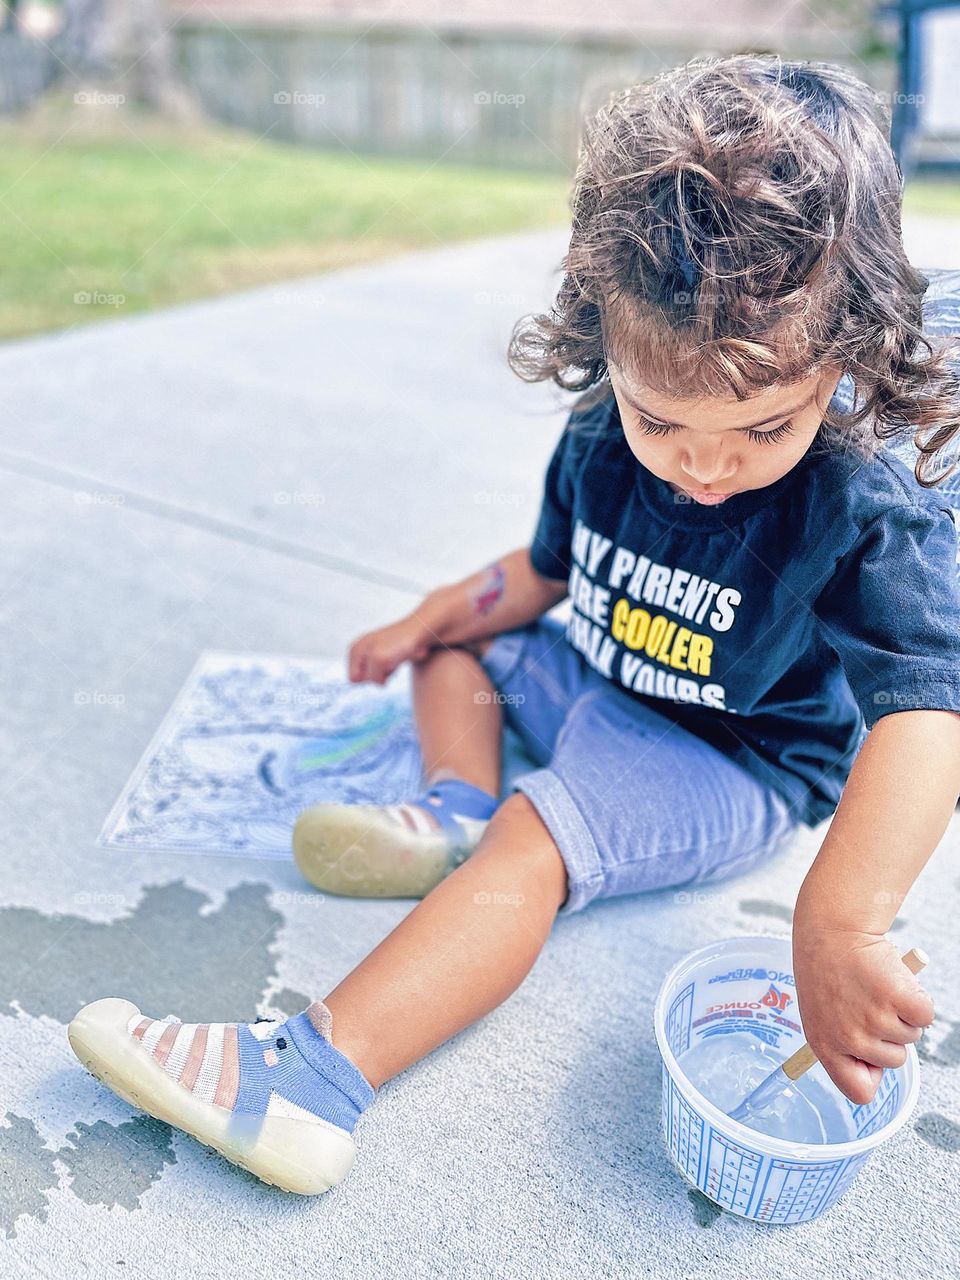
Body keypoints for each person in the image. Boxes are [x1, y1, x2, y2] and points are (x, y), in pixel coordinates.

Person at [68, 54, 960, 1197]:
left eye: (761, 427)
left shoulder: (864, 498)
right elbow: (544, 571)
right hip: (595, 672)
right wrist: (438, 612)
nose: (702, 463)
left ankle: (309, 1086)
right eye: (662, 415)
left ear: (851, 355)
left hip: (728, 758)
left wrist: (841, 923)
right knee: (461, 650)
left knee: (531, 847)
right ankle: (448, 806)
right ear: (608, 343)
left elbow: (927, 716)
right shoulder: (601, 432)